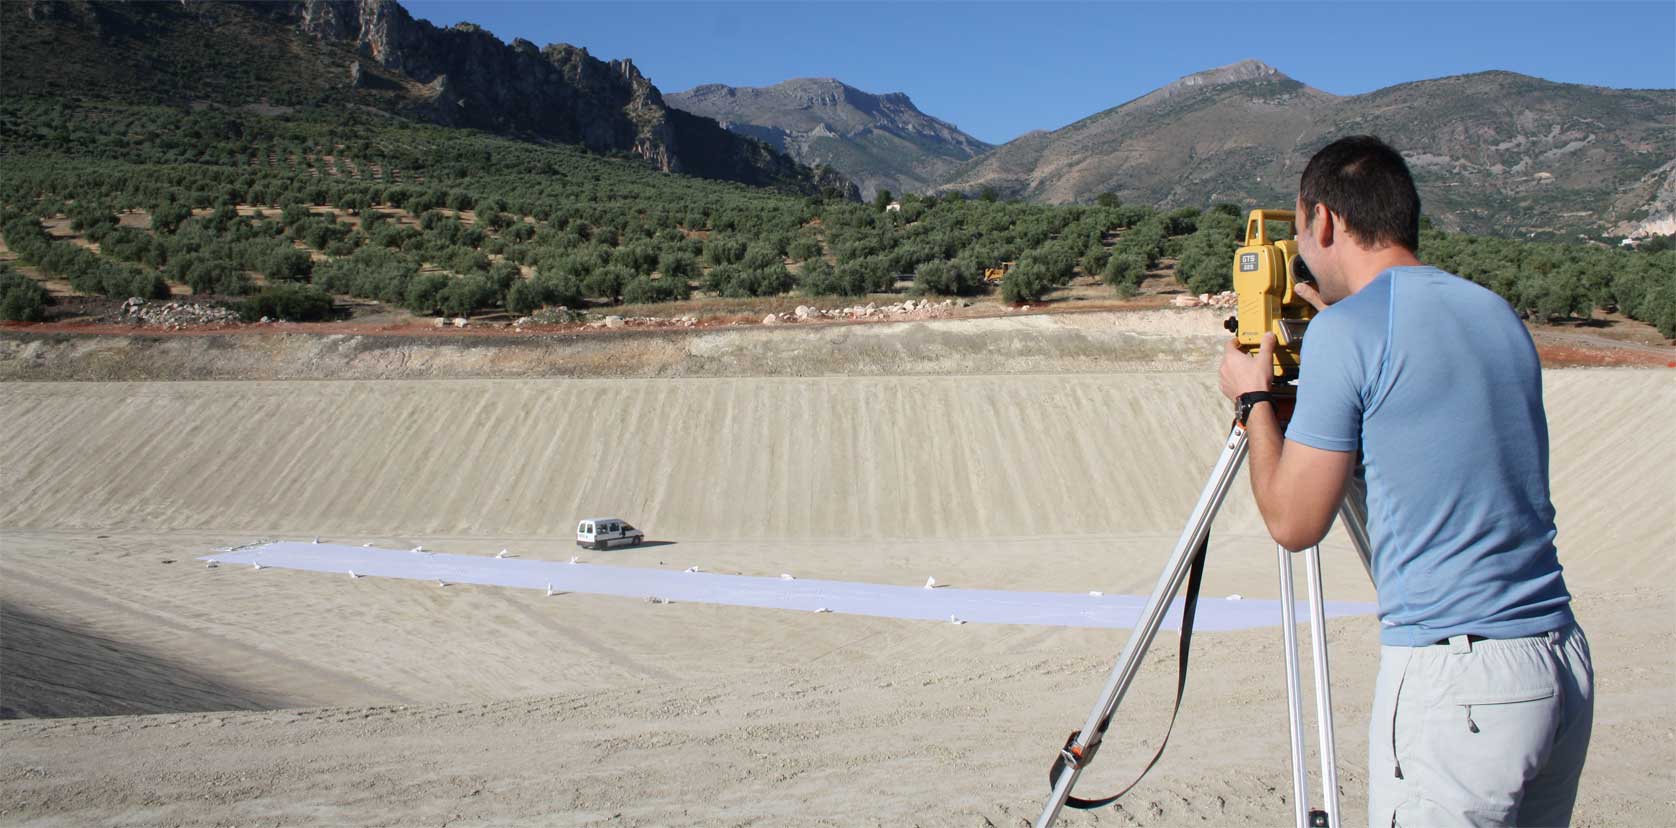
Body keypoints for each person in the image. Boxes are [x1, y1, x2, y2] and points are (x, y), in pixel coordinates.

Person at [1217, 135, 1593, 827]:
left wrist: (1252, 401)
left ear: (1323, 221)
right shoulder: (1494, 313)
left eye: (1299, 232)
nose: (1299, 251)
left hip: (1461, 682)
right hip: (1558, 663)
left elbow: (1294, 523)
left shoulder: (1349, 334)